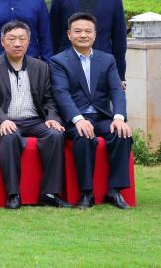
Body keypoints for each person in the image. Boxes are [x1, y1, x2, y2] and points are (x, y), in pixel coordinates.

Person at [0, 20, 71, 209]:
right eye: (11, 39)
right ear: (2, 42)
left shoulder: (41, 67)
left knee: (56, 134)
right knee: (10, 136)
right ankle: (13, 193)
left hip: (34, 120)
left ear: (29, 41)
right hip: (6, 120)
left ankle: (49, 193)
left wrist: (52, 118)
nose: (17, 43)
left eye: (22, 39)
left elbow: (49, 99)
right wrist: (2, 120)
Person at [50, 12, 133, 209]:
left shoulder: (107, 60)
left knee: (121, 134)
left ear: (95, 35)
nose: (83, 35)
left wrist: (119, 117)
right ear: (69, 34)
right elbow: (61, 94)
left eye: (88, 31)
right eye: (78, 31)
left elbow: (116, 90)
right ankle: (87, 193)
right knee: (84, 136)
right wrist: (78, 119)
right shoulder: (58, 61)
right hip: (74, 119)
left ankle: (115, 190)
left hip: (101, 116)